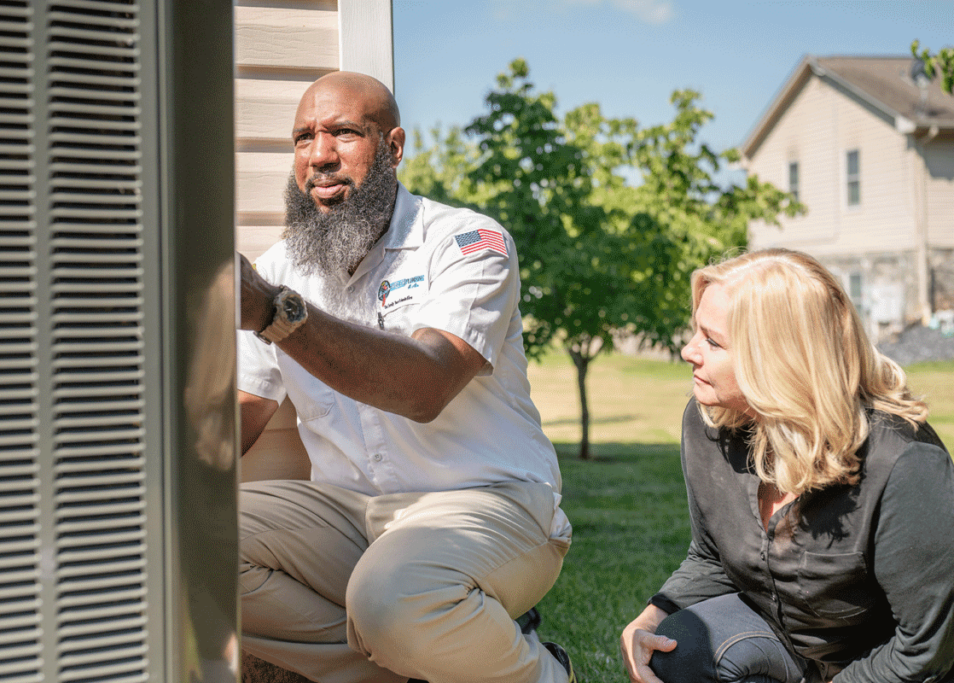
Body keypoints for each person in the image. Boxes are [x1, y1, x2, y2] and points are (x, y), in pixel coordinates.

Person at [235, 71, 576, 683]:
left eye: (343, 133)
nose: (319, 156)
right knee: (189, 542)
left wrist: (271, 312)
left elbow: (425, 386)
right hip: (350, 517)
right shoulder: (280, 266)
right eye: (304, 137)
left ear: (393, 148)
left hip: (490, 505)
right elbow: (234, 418)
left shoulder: (468, 244)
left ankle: (545, 676)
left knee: (392, 598)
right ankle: (403, 666)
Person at [620, 248, 954, 683]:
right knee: (680, 651)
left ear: (780, 360)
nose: (688, 350)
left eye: (713, 341)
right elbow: (712, 557)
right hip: (784, 645)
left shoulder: (904, 463)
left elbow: (928, 649)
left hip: (887, 669)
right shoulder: (708, 423)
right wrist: (648, 620)